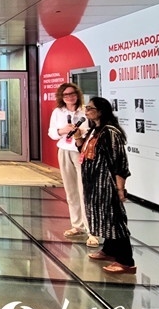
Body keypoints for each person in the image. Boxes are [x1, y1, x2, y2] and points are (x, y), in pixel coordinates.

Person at [73, 97, 135, 275]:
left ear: (101, 111)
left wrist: (120, 188)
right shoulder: (95, 130)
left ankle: (126, 261)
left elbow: (119, 162)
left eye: (90, 108)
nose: (86, 111)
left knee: (114, 220)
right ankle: (109, 250)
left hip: (106, 183)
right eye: (86, 108)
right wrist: (78, 137)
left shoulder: (110, 132)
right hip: (94, 183)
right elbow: (85, 152)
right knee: (104, 218)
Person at [47, 83, 94, 246]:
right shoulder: (58, 112)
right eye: (66, 95)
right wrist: (63, 130)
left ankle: (91, 230)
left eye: (72, 94)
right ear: (61, 97)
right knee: (71, 190)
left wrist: (80, 133)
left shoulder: (85, 111)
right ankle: (77, 225)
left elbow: (93, 131)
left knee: (84, 190)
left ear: (77, 94)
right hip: (64, 150)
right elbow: (52, 133)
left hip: (81, 151)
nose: (69, 97)